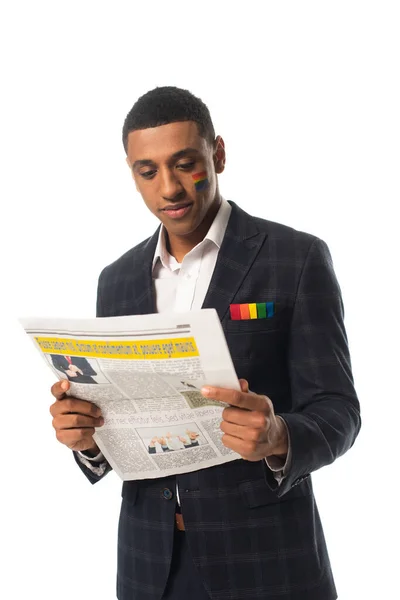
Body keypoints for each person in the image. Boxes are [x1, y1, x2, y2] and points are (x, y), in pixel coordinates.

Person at [49, 86, 361, 600]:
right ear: (132, 174)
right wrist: (85, 440)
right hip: (150, 566)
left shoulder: (295, 258)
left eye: (185, 163)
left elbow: (339, 410)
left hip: (267, 562)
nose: (169, 187)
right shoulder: (117, 279)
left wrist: (280, 435)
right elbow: (120, 420)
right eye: (147, 171)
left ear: (217, 153)